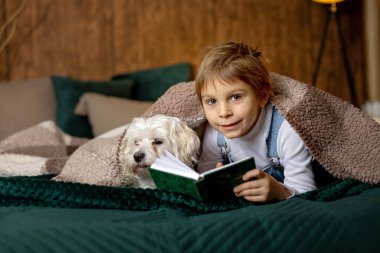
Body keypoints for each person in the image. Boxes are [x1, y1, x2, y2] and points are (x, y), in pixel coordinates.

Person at [195, 42, 317, 203]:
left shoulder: (287, 130)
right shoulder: (215, 133)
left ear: (262, 96)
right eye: (211, 101)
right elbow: (205, 183)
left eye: (236, 97)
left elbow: (307, 192)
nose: (223, 113)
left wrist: (280, 192)